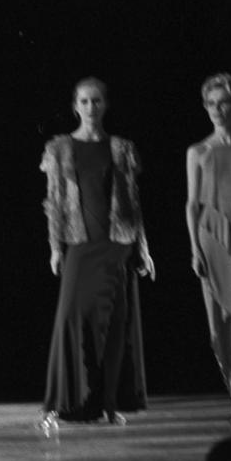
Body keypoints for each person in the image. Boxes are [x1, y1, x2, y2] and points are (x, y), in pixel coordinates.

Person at [39, 77, 154, 431]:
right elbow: (54, 202)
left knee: (114, 325)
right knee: (73, 320)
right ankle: (65, 402)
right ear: (75, 105)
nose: (91, 108)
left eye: (97, 101)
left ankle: (108, 404)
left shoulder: (121, 148)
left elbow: (133, 205)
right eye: (85, 102)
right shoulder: (59, 148)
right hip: (80, 242)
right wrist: (56, 248)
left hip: (118, 243)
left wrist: (144, 250)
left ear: (106, 105)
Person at [186, 73, 231, 426]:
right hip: (211, 239)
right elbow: (191, 203)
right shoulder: (198, 151)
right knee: (219, 328)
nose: (217, 109)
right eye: (211, 104)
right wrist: (194, 249)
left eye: (224, 102)